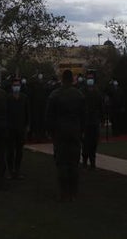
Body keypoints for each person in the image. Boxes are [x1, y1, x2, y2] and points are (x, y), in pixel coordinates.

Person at [46, 68, 85, 201]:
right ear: (72, 79)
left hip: (60, 132)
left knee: (62, 163)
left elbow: (49, 115)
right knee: (73, 163)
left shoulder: (54, 95)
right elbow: (83, 115)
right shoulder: (79, 95)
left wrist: (50, 131)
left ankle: (64, 192)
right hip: (74, 131)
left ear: (62, 79)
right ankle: (73, 192)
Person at [5, 77, 28, 179]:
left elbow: (28, 112)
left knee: (19, 151)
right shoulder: (8, 98)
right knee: (10, 150)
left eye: (18, 85)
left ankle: (17, 170)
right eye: (15, 85)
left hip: (21, 128)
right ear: (12, 86)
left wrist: (27, 125)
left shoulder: (24, 98)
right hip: (10, 128)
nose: (16, 87)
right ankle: (10, 170)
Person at [81, 69, 104, 170]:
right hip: (85, 121)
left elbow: (101, 106)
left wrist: (102, 119)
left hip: (94, 121)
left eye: (91, 78)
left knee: (94, 143)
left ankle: (93, 161)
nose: (90, 80)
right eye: (89, 78)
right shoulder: (82, 91)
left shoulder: (97, 91)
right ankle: (85, 161)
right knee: (85, 143)